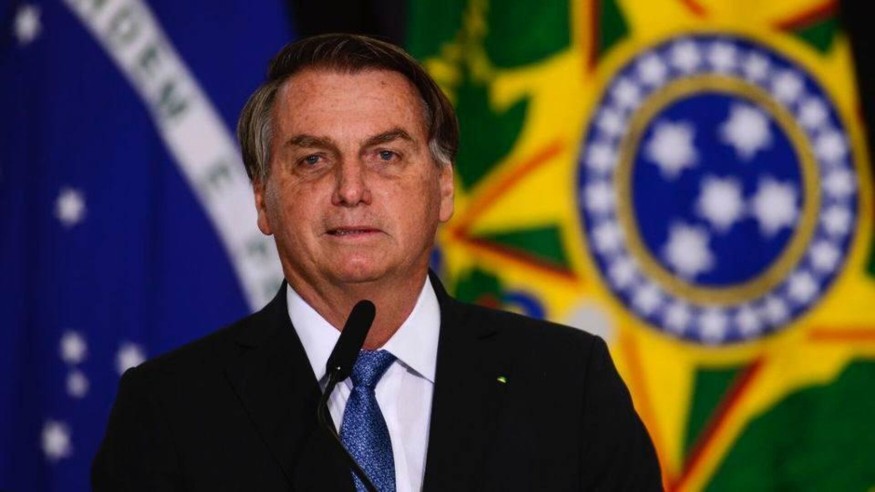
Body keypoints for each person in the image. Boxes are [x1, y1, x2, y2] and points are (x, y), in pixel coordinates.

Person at [92, 33, 662, 491]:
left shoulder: (568, 383)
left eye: (386, 155)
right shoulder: (169, 409)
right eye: (313, 160)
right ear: (263, 199)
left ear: (443, 187)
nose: (351, 190)